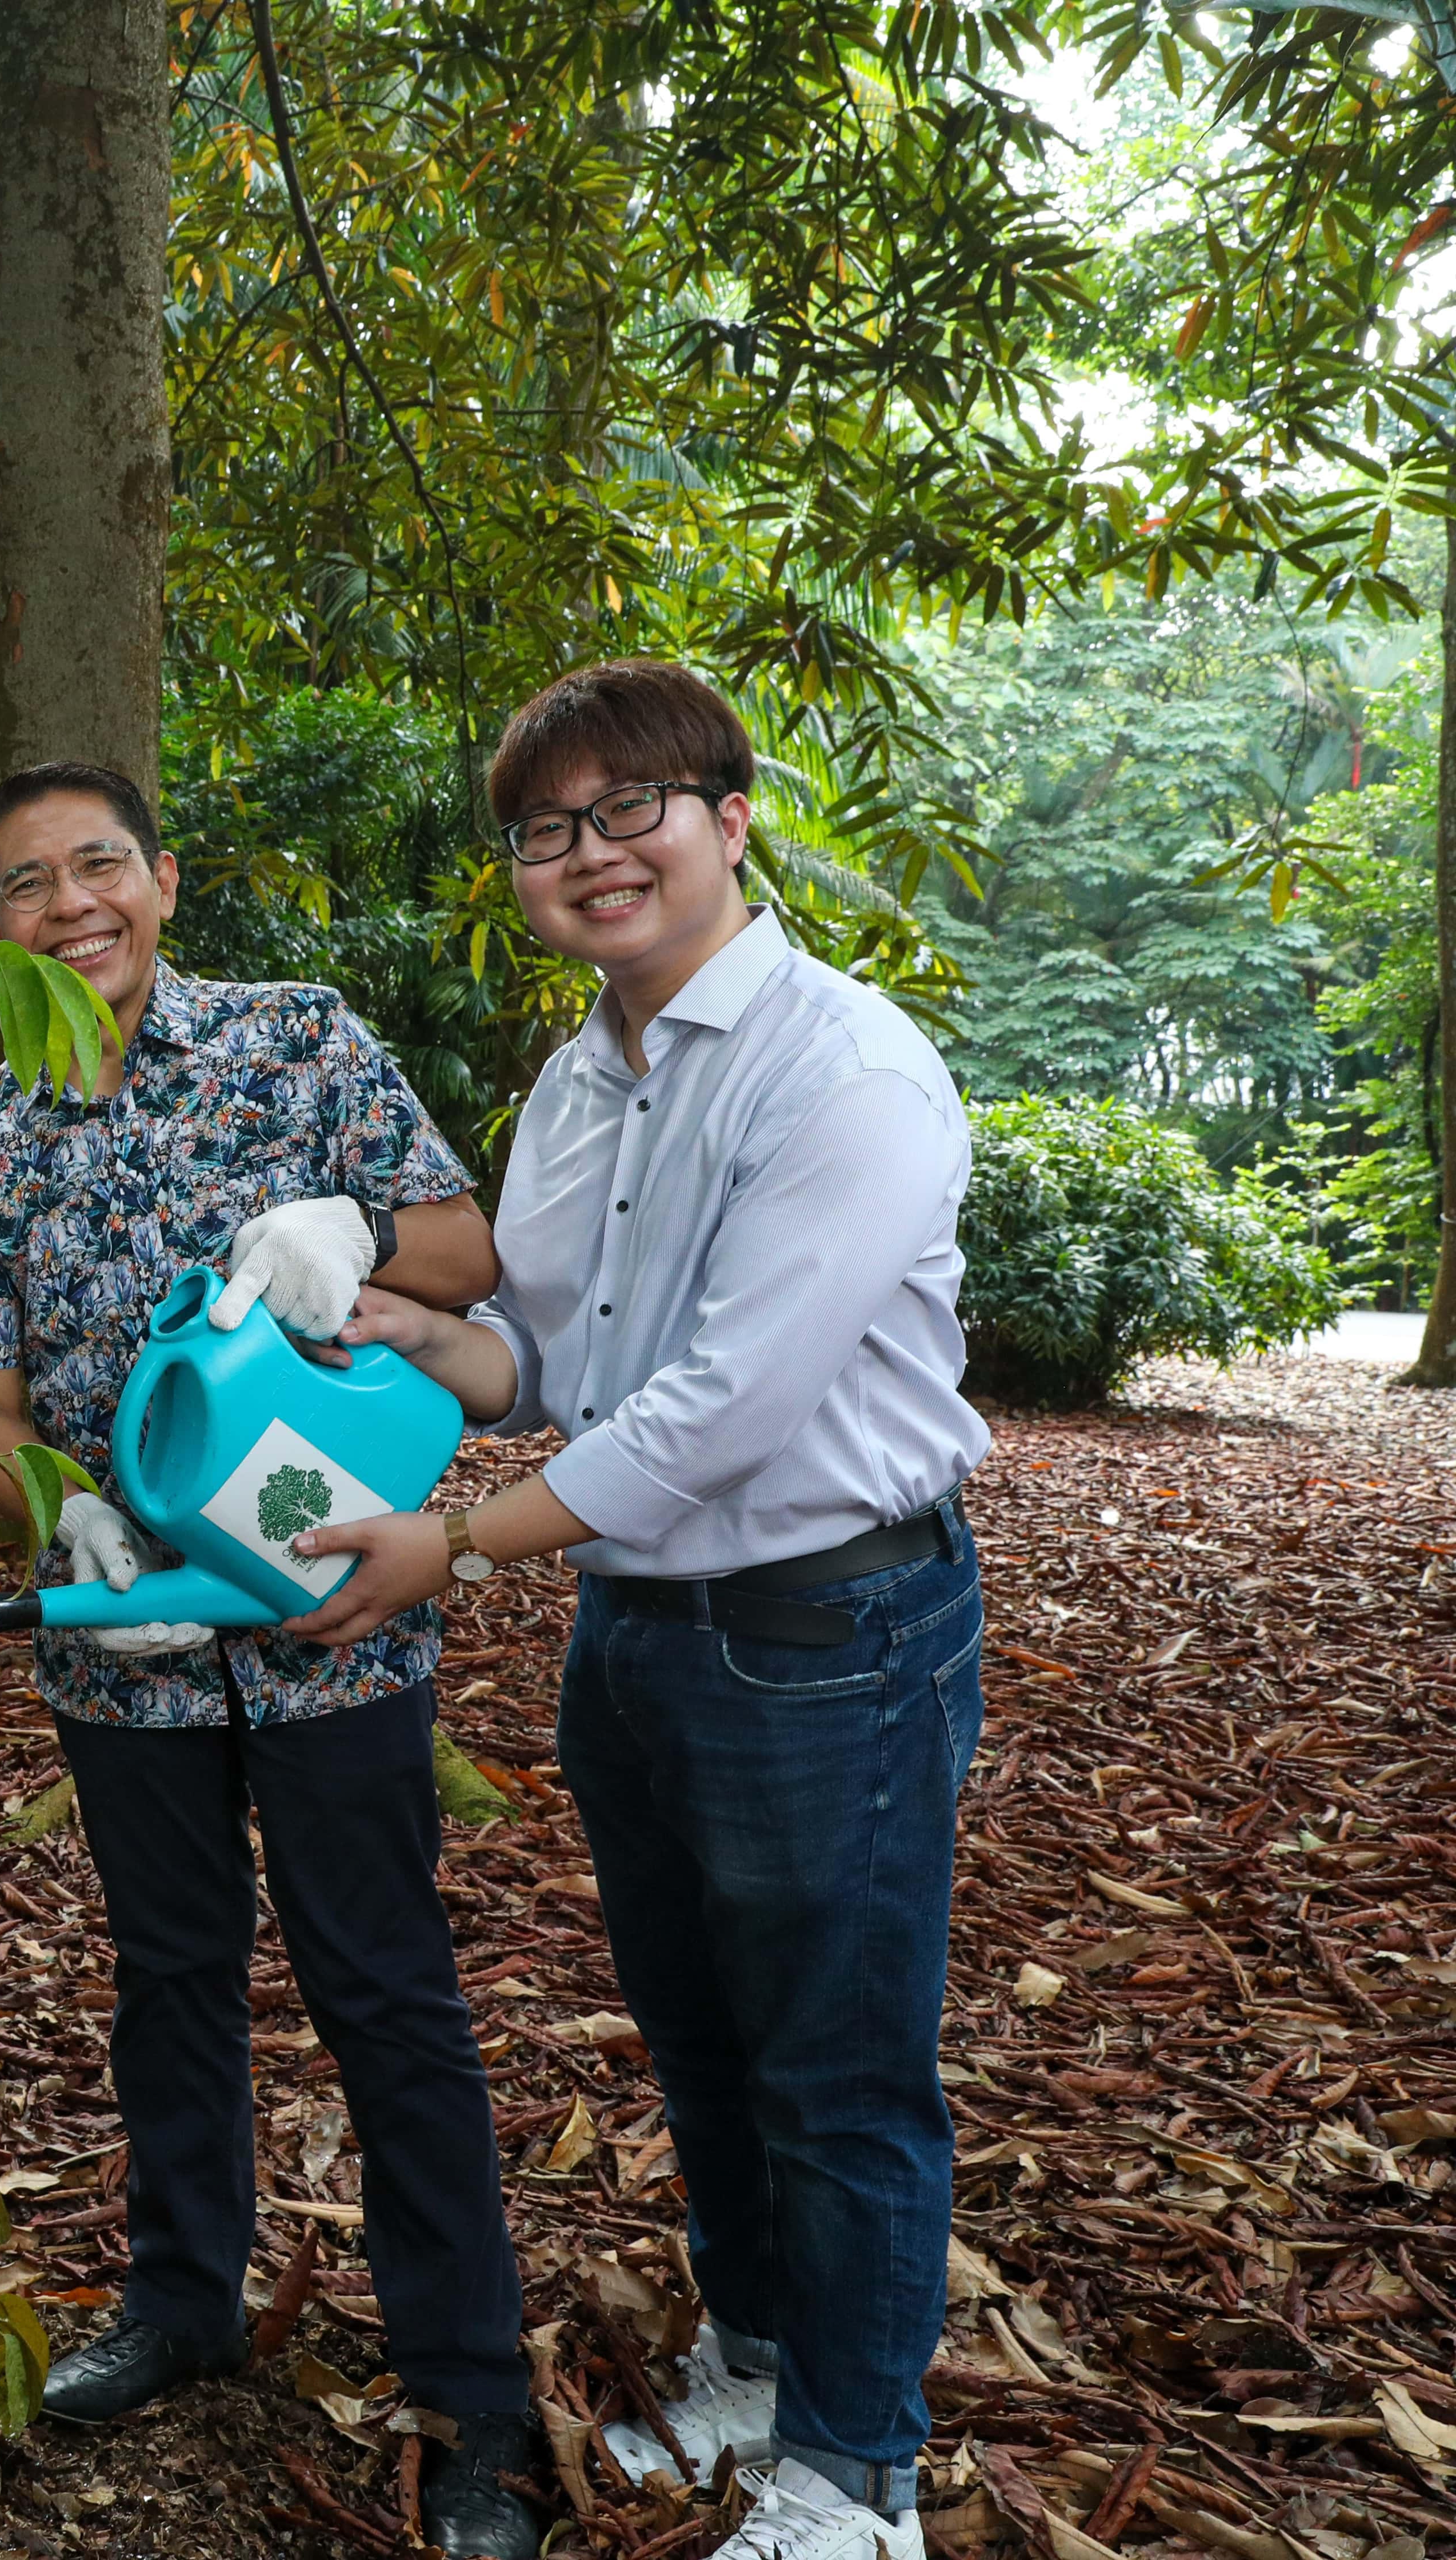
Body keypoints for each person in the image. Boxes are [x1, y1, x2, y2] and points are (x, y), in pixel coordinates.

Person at [284, 662, 990, 2560]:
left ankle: (861, 2474)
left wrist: (455, 1545)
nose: (592, 855)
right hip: (645, 1628)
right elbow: (551, 1349)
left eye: (633, 810)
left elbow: (726, 1406)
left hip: (829, 1626)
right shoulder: (583, 1078)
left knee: (840, 2065)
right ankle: (764, 2367)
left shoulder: (842, 1068)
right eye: (547, 830)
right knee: (703, 2035)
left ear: (731, 818)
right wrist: (388, 1318)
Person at [0, 760, 547, 2557]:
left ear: (162, 879)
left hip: (337, 1618)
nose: (71, 903)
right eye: (27, 882)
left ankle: (472, 2404)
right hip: (133, 1649)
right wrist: (56, 1519)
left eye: (99, 864)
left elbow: (474, 1250)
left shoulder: (300, 1044)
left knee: (387, 1992)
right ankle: (185, 2303)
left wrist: (354, 1230)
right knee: (168, 1978)